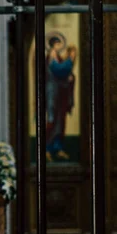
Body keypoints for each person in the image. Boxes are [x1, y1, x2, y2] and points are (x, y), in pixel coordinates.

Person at [45, 34, 77, 162]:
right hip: (52, 94)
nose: (59, 46)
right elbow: (59, 71)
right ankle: (46, 149)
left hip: (60, 94)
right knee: (52, 121)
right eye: (57, 44)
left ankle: (57, 148)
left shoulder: (57, 57)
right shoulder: (51, 57)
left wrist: (70, 78)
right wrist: (70, 59)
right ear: (53, 45)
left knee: (60, 121)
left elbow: (64, 75)